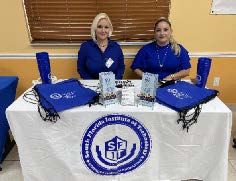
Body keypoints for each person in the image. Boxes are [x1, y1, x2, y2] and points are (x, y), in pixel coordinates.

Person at [77, 13, 125, 79]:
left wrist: (115, 82)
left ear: (109, 29)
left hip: (112, 85)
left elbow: (121, 67)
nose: (103, 30)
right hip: (91, 85)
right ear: (94, 29)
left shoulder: (116, 47)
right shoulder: (85, 47)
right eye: (99, 27)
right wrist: (92, 83)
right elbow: (81, 69)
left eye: (106, 27)